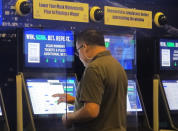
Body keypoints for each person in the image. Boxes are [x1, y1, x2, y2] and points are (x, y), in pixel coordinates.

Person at [53, 29, 128, 131]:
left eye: (77, 51)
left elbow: (91, 111)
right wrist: (76, 101)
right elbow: (105, 102)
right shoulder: (116, 65)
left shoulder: (94, 68)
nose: (79, 56)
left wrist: (69, 117)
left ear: (84, 47)